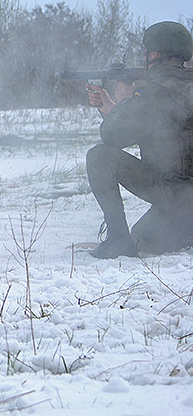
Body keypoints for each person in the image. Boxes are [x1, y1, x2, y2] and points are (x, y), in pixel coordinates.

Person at [85, 21, 193, 258]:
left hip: (173, 195)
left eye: (145, 52)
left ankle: (118, 241)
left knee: (98, 157)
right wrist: (113, 107)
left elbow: (112, 136)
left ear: (154, 54)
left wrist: (124, 103)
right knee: (146, 236)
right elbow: (160, 124)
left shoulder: (153, 93)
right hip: (186, 197)